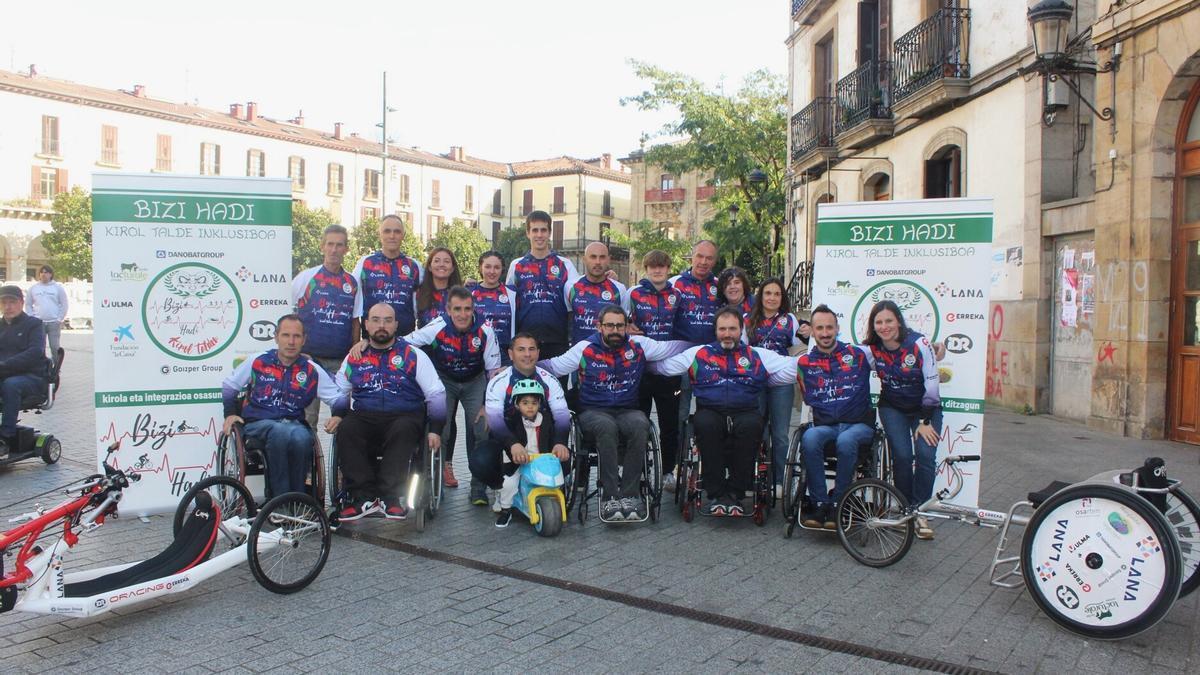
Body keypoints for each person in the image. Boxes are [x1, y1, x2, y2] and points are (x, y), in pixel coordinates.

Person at [539, 305, 685, 520]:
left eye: (619, 325)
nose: (615, 330)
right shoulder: (584, 348)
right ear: (599, 326)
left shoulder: (639, 345)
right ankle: (610, 496)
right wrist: (520, 367)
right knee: (606, 427)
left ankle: (630, 495)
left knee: (641, 423)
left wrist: (710, 345)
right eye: (609, 325)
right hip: (592, 411)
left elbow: (674, 348)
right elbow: (554, 366)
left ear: (627, 327)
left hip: (626, 410)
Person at [652, 306, 796, 516]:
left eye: (732, 329)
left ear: (741, 330)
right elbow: (665, 367)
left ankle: (736, 492)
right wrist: (638, 361)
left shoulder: (757, 355)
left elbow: (792, 365)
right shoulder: (700, 353)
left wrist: (817, 358)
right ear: (715, 330)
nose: (727, 334)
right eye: (722, 329)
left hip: (745, 410)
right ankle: (717, 492)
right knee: (705, 425)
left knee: (753, 426)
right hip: (710, 410)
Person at [327, 302, 446, 521]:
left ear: (396, 325)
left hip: (404, 414)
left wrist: (436, 429)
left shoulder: (413, 355)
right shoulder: (354, 357)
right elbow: (341, 391)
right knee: (347, 428)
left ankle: (389, 497)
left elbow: (436, 394)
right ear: (366, 324)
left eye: (388, 321)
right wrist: (337, 413)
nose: (382, 325)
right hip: (365, 415)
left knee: (404, 429)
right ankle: (362, 497)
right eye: (376, 320)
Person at [221, 315, 344, 497]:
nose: (291, 341)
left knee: (303, 438)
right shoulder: (258, 361)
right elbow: (230, 386)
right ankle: (280, 501)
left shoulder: (311, 369)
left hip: (294, 425)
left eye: (296, 336)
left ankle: (298, 498)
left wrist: (338, 415)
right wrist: (230, 414)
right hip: (259, 424)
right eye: (286, 335)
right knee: (280, 432)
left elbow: (339, 398)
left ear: (304, 340)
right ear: (276, 337)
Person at [401, 286, 501, 499]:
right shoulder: (436, 326)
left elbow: (493, 372)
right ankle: (436, 485)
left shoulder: (486, 330)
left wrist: (487, 404)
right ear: (448, 310)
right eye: (457, 309)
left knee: (481, 429)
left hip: (475, 381)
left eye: (467, 309)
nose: (463, 314)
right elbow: (404, 343)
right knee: (441, 431)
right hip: (444, 380)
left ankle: (478, 487)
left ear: (473, 309)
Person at [862, 300, 942, 540]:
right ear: (873, 326)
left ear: (898, 320)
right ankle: (905, 509)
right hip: (892, 407)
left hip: (924, 409)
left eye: (888, 320)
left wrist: (925, 421)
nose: (884, 326)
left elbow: (932, 383)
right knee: (903, 457)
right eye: (879, 322)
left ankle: (921, 511)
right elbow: (843, 354)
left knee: (926, 456)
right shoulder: (872, 349)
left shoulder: (918, 343)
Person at [795, 305, 877, 530]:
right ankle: (820, 502)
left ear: (837, 328)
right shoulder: (804, 363)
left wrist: (934, 350)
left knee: (846, 440)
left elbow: (892, 354)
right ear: (811, 331)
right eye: (819, 328)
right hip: (827, 426)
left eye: (829, 327)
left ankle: (840, 502)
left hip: (859, 425)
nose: (824, 332)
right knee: (810, 437)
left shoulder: (859, 354)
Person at [472, 333, 571, 517]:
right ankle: (501, 488)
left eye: (531, 349)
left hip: (541, 441)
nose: (527, 354)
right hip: (508, 443)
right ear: (510, 354)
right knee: (480, 460)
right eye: (521, 349)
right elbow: (495, 421)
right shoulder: (499, 381)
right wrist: (513, 444)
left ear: (538, 353)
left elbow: (562, 417)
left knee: (565, 458)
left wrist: (560, 442)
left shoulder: (549, 380)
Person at [292, 224, 358, 431]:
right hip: (309, 359)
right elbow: (290, 313)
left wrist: (353, 357)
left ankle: (340, 464)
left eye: (339, 245)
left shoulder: (352, 282)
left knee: (342, 420)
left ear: (346, 249)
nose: (334, 250)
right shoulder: (306, 278)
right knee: (306, 420)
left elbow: (356, 320)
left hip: (340, 362)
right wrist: (297, 351)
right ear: (322, 247)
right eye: (330, 244)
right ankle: (307, 463)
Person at [628, 250, 681, 492]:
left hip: (668, 371)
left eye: (661, 266)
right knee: (638, 422)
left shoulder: (677, 295)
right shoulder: (633, 293)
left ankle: (668, 470)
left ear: (668, 268)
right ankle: (637, 472)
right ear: (645, 269)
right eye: (652, 267)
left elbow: (683, 326)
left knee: (669, 424)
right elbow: (619, 319)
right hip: (639, 370)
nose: (657, 270)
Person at [744, 279, 803, 492]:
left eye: (777, 294)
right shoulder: (747, 320)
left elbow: (799, 348)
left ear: (782, 298)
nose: (772, 297)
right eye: (767, 293)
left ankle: (780, 481)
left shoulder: (790, 320)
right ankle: (752, 479)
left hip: (781, 382)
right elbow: (742, 350)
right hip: (755, 382)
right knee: (755, 431)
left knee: (780, 434)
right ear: (761, 297)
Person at [670, 240, 722, 455]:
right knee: (679, 416)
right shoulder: (675, 284)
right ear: (691, 256)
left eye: (709, 258)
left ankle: (704, 466)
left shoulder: (720, 287)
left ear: (714, 261)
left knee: (709, 417)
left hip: (711, 364)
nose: (703, 262)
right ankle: (676, 467)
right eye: (699, 256)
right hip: (681, 362)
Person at [506, 211, 578, 360]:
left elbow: (580, 296)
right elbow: (507, 302)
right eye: (535, 230)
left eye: (543, 230)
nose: (539, 235)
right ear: (528, 233)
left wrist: (606, 278)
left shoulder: (565, 264)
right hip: (526, 344)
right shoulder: (516, 265)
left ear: (549, 233)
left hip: (558, 342)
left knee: (557, 384)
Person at [492, 379, 555, 528]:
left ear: (539, 404)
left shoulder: (546, 420)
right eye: (525, 403)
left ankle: (554, 503)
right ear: (517, 404)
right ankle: (506, 509)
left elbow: (553, 437)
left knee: (555, 479)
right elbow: (507, 440)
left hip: (540, 459)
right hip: (517, 461)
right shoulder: (512, 420)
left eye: (534, 403)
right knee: (509, 484)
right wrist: (514, 451)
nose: (530, 407)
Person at [352, 214, 424, 336]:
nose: (392, 236)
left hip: (406, 342)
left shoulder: (414, 266)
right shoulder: (365, 263)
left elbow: (433, 292)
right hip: (372, 343)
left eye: (397, 231)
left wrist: (464, 285)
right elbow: (352, 302)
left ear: (403, 235)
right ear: (380, 234)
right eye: (387, 231)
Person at [0, 285, 47, 455]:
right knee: (8, 383)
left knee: (11, 385)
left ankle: (5, 438)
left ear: (21, 303)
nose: (8, 306)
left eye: (12, 302)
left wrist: (5, 366)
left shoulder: (33, 325)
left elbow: (35, 353)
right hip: (5, 375)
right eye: (4, 302)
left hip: (32, 377)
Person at [566, 242, 629, 345]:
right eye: (593, 257)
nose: (598, 262)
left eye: (602, 257)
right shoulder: (570, 287)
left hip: (609, 354)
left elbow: (623, 322)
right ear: (584, 259)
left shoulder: (619, 289)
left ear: (608, 260)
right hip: (579, 353)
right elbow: (567, 318)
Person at [470, 251, 516, 366]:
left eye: (496, 267)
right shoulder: (469, 293)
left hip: (505, 355)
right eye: (487, 267)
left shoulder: (512, 293)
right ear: (480, 268)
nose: (492, 271)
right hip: (476, 353)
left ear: (502, 270)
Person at [24, 265, 67, 356]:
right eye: (42, 272)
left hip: (53, 323)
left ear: (51, 274)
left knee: (55, 347)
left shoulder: (57, 288)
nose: (44, 274)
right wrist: (32, 317)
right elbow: (28, 304)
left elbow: (64, 304)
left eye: (46, 272)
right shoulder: (33, 288)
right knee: (39, 348)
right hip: (39, 324)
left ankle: (56, 368)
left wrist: (59, 318)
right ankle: (42, 368)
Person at [416, 247, 462, 328]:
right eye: (437, 261)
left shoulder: (461, 294)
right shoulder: (418, 293)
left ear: (452, 268)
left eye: (446, 261)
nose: (441, 265)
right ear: (430, 267)